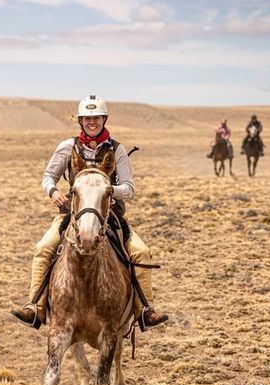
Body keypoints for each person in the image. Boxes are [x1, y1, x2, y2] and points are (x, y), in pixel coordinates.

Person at [11, 95, 168, 331]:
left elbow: (129, 188)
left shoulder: (117, 149)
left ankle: (145, 310)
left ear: (104, 119)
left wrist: (106, 190)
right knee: (44, 248)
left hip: (108, 217)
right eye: (87, 118)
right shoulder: (67, 147)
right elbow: (48, 177)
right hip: (72, 216)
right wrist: (53, 192)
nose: (91, 122)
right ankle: (35, 306)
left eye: (96, 118)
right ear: (80, 121)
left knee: (141, 252)